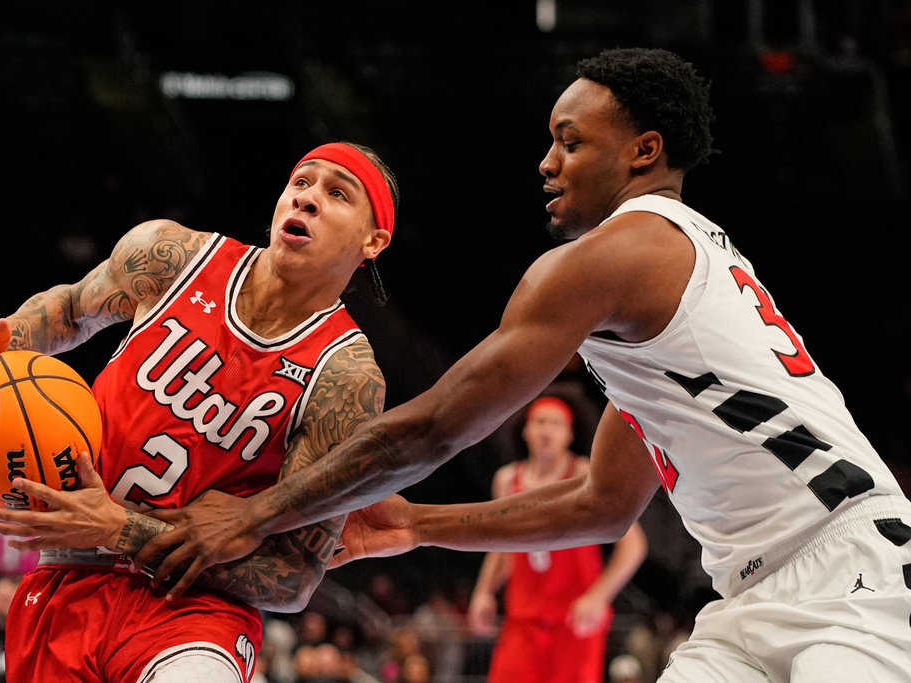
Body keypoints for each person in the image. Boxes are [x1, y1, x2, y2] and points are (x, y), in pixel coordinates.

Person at [128, 47, 911, 681]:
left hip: (852, 568)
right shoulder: (667, 293)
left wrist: (255, 512)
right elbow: (605, 501)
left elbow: (435, 426)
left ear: (644, 152)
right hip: (748, 595)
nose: (546, 162)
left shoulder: (619, 254)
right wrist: (413, 524)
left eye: (570, 141)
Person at [0, 141, 398, 682]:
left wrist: (117, 528)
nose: (308, 199)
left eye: (336, 193)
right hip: (67, 575)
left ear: (374, 240)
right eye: (301, 183)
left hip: (195, 608)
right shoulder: (172, 256)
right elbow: (69, 308)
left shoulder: (345, 377)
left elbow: (291, 579)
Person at [467, 395, 647, 683]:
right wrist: (484, 591)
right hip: (523, 619)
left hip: (575, 622)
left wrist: (598, 597)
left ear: (569, 434)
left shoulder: (586, 475)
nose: (546, 430)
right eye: (540, 422)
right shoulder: (507, 479)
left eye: (556, 423)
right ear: (526, 430)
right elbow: (502, 547)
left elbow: (634, 545)